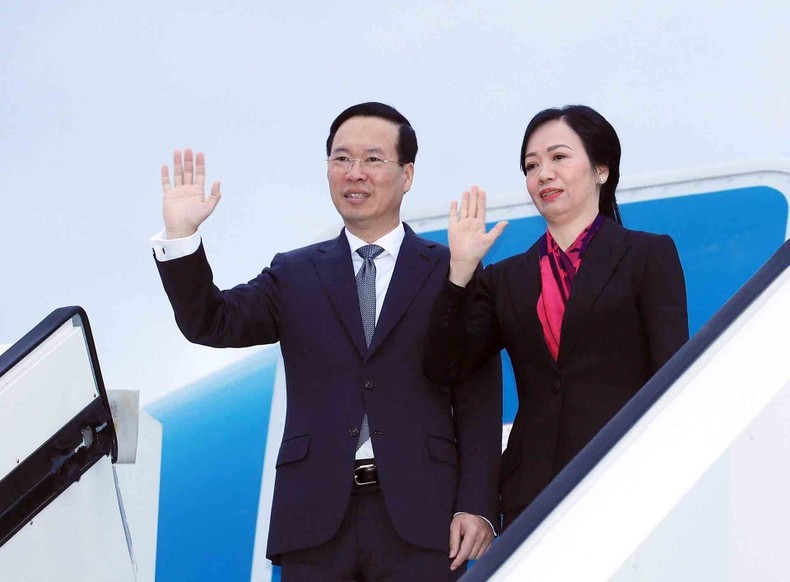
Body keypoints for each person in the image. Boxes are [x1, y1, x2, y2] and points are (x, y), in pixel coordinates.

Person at [151, 102, 502, 580]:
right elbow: (211, 322)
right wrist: (181, 236)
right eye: (341, 159)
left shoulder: (453, 267)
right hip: (315, 522)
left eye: (373, 159)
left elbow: (478, 396)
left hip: (425, 519)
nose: (354, 173)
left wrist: (478, 506)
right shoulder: (295, 272)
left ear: (407, 173)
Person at [424, 104, 689, 529]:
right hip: (531, 494)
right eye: (532, 165)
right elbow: (445, 365)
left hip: (625, 482)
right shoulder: (506, 278)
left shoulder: (647, 255)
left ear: (601, 169)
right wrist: (461, 270)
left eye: (559, 157)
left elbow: (671, 376)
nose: (543, 173)